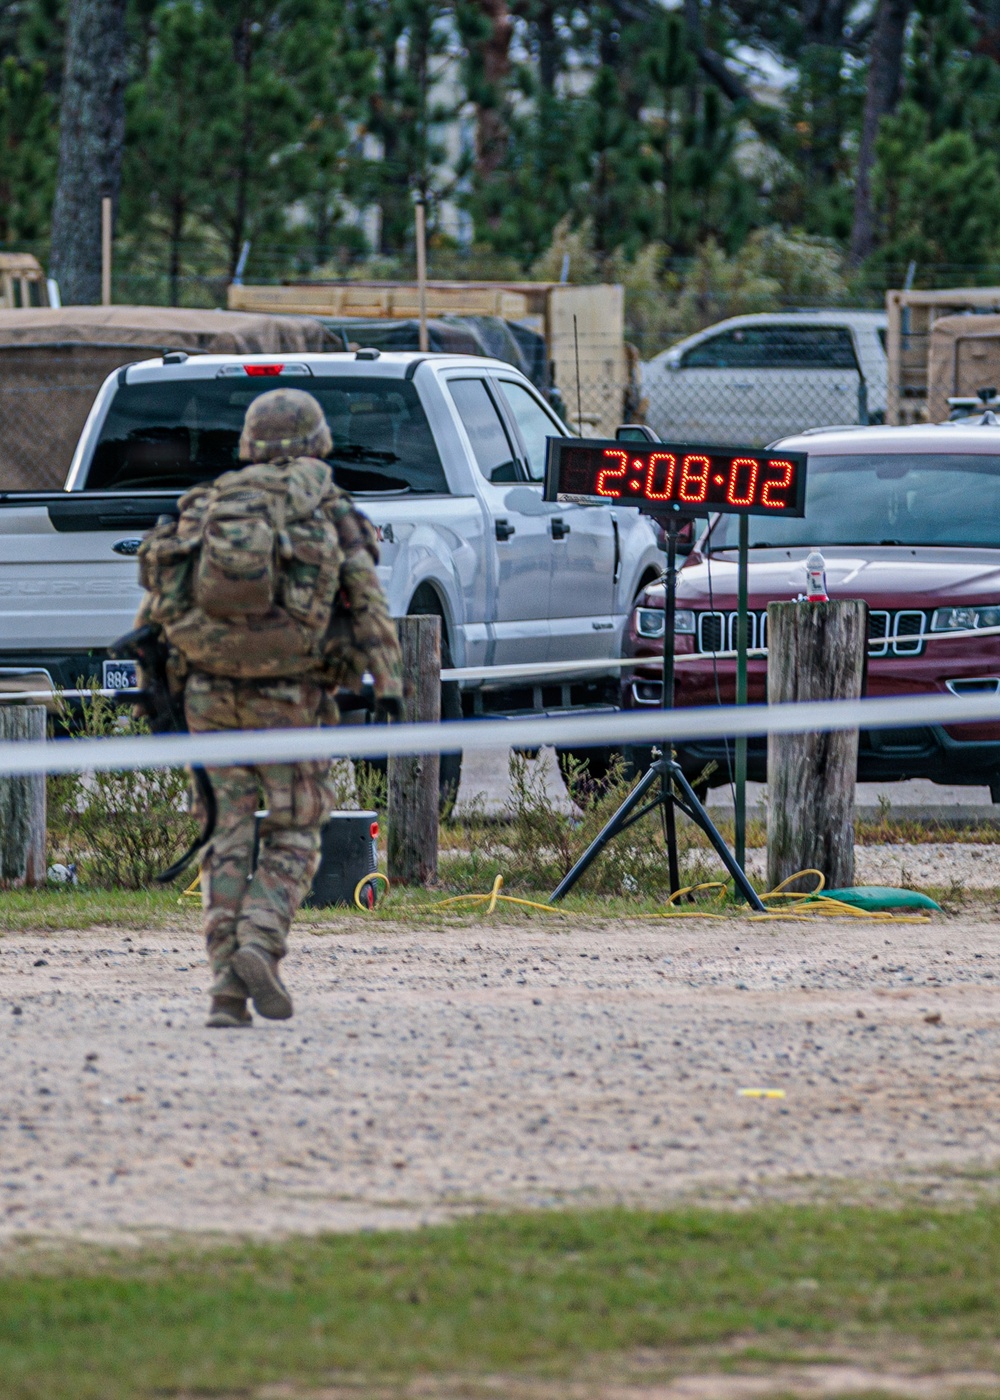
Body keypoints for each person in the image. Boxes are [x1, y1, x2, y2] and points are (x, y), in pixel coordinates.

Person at [133, 388, 402, 1028]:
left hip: (206, 690)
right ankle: (259, 939)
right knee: (296, 830)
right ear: (318, 440)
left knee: (224, 835)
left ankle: (227, 994)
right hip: (289, 697)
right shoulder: (328, 505)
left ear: (251, 440)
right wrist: (389, 681)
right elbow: (366, 601)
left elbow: (158, 603)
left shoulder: (211, 503)